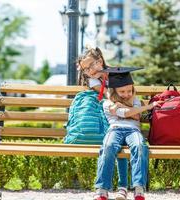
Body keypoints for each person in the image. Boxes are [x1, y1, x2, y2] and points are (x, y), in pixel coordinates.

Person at [64, 47, 129, 200]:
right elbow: (107, 94)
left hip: (117, 117)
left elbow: (127, 91)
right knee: (109, 143)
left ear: (100, 61)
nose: (89, 71)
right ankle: (102, 189)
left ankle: (122, 187)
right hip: (103, 118)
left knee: (121, 143)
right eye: (85, 68)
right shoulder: (93, 79)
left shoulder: (114, 73)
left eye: (91, 66)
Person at [94, 67, 162, 200]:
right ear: (114, 91)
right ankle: (102, 189)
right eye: (122, 92)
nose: (127, 94)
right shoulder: (107, 103)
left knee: (140, 147)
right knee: (108, 147)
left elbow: (136, 116)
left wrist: (121, 106)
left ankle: (138, 188)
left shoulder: (136, 100)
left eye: (129, 90)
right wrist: (147, 106)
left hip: (133, 130)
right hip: (115, 130)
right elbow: (127, 113)